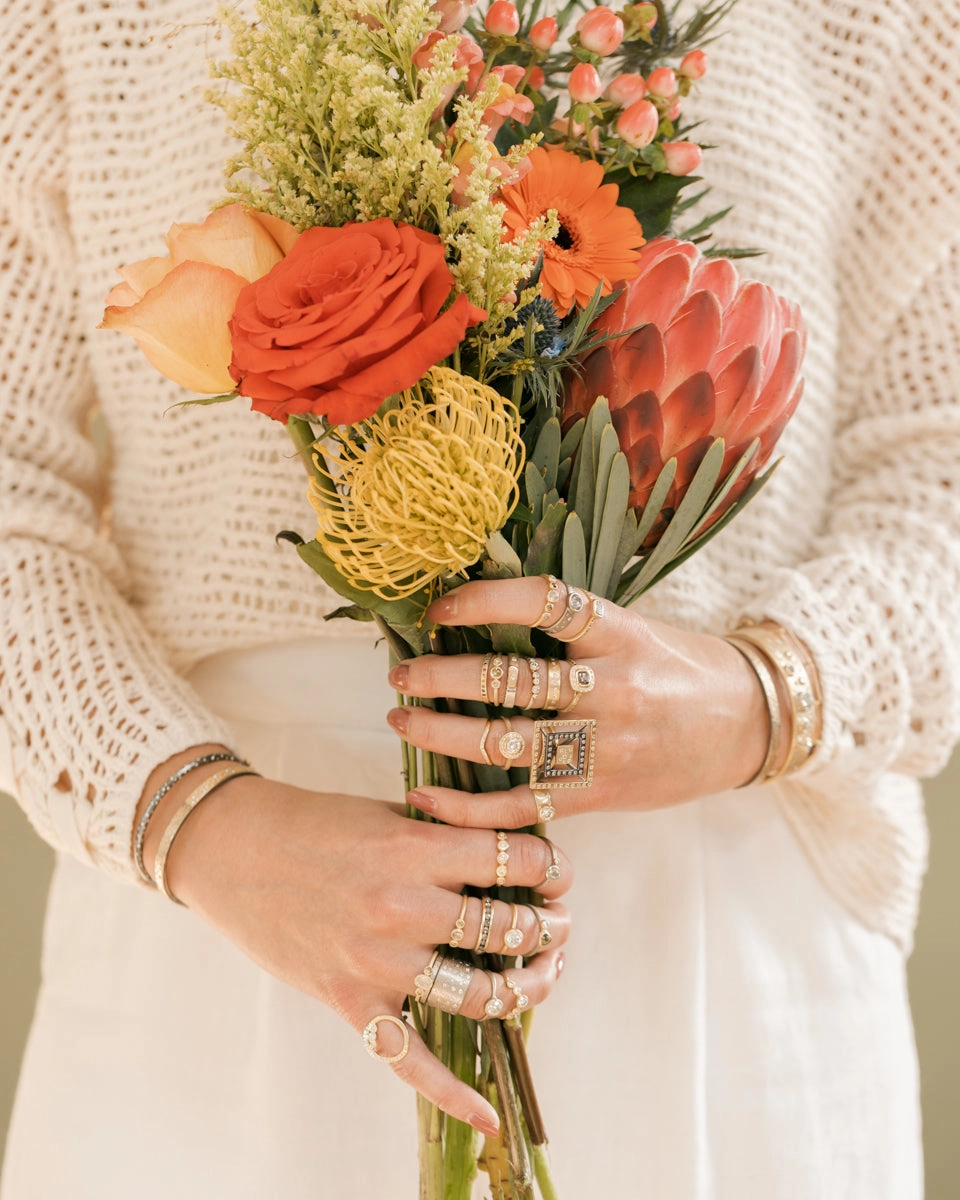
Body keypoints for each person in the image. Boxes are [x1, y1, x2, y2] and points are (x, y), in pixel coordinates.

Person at [2, 0, 958, 1196]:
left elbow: (939, 463)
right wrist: (201, 824)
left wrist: (768, 695)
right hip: (220, 926)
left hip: (726, 933)